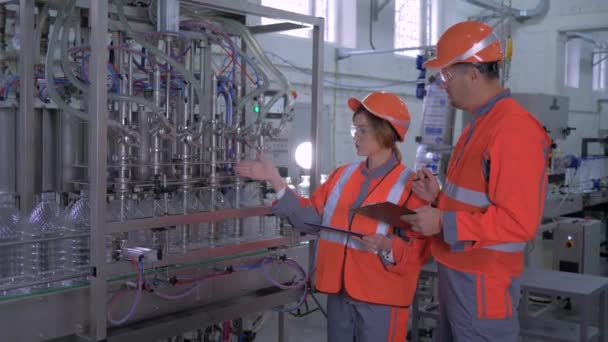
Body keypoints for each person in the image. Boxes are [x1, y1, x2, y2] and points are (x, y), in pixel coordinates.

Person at [235, 91, 430, 342]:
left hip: (383, 299)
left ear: (385, 133)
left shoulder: (411, 185)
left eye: (363, 131)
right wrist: (275, 179)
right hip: (340, 293)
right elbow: (310, 217)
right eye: (354, 129)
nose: (355, 137)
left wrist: (388, 245)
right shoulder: (342, 176)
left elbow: (420, 250)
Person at [400, 21, 552, 341]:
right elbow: (472, 201)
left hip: (484, 282)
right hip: (458, 272)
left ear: (472, 73)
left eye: (446, 75)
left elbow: (518, 222)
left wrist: (442, 221)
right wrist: (438, 197)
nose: (442, 84)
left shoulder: (513, 129)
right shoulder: (476, 125)